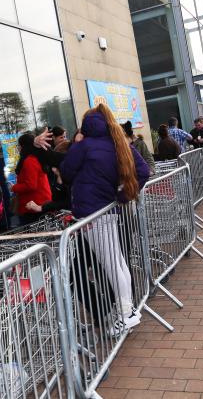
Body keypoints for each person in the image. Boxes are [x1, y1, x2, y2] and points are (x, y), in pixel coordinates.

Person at [61, 104, 150, 333]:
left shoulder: (86, 146)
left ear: (86, 124)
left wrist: (77, 144)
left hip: (91, 212)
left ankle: (126, 312)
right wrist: (122, 196)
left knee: (113, 264)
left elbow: (67, 171)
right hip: (107, 211)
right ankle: (126, 310)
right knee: (117, 263)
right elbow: (143, 171)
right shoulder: (119, 144)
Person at [11, 133, 53, 225]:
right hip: (37, 204)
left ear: (23, 146)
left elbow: (31, 185)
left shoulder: (30, 160)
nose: (18, 148)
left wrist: (14, 188)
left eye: (19, 145)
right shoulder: (35, 157)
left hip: (34, 206)